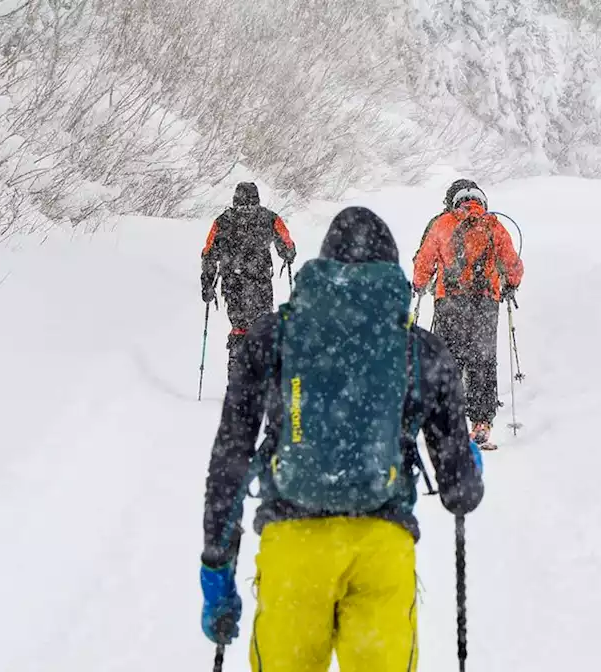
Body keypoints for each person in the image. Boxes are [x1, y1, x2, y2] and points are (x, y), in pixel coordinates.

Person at [199, 206, 485, 672]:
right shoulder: (421, 349)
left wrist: (217, 565)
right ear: (392, 272)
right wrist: (468, 463)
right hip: (381, 549)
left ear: (324, 268)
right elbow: (459, 492)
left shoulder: (273, 336)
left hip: (293, 549)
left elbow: (230, 458)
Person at [412, 179, 524, 449]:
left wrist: (419, 283)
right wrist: (510, 284)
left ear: (454, 200)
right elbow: (513, 266)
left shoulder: (442, 224)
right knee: (483, 361)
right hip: (485, 305)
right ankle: (482, 421)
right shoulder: (494, 225)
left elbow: (424, 262)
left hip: (450, 303)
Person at [201, 181, 297, 370]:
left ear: (235, 198)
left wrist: (207, 283)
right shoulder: (269, 218)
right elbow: (287, 244)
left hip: (232, 282)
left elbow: (209, 253)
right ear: (257, 197)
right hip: (259, 281)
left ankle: (237, 368)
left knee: (239, 324)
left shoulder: (223, 221)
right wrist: (289, 254)